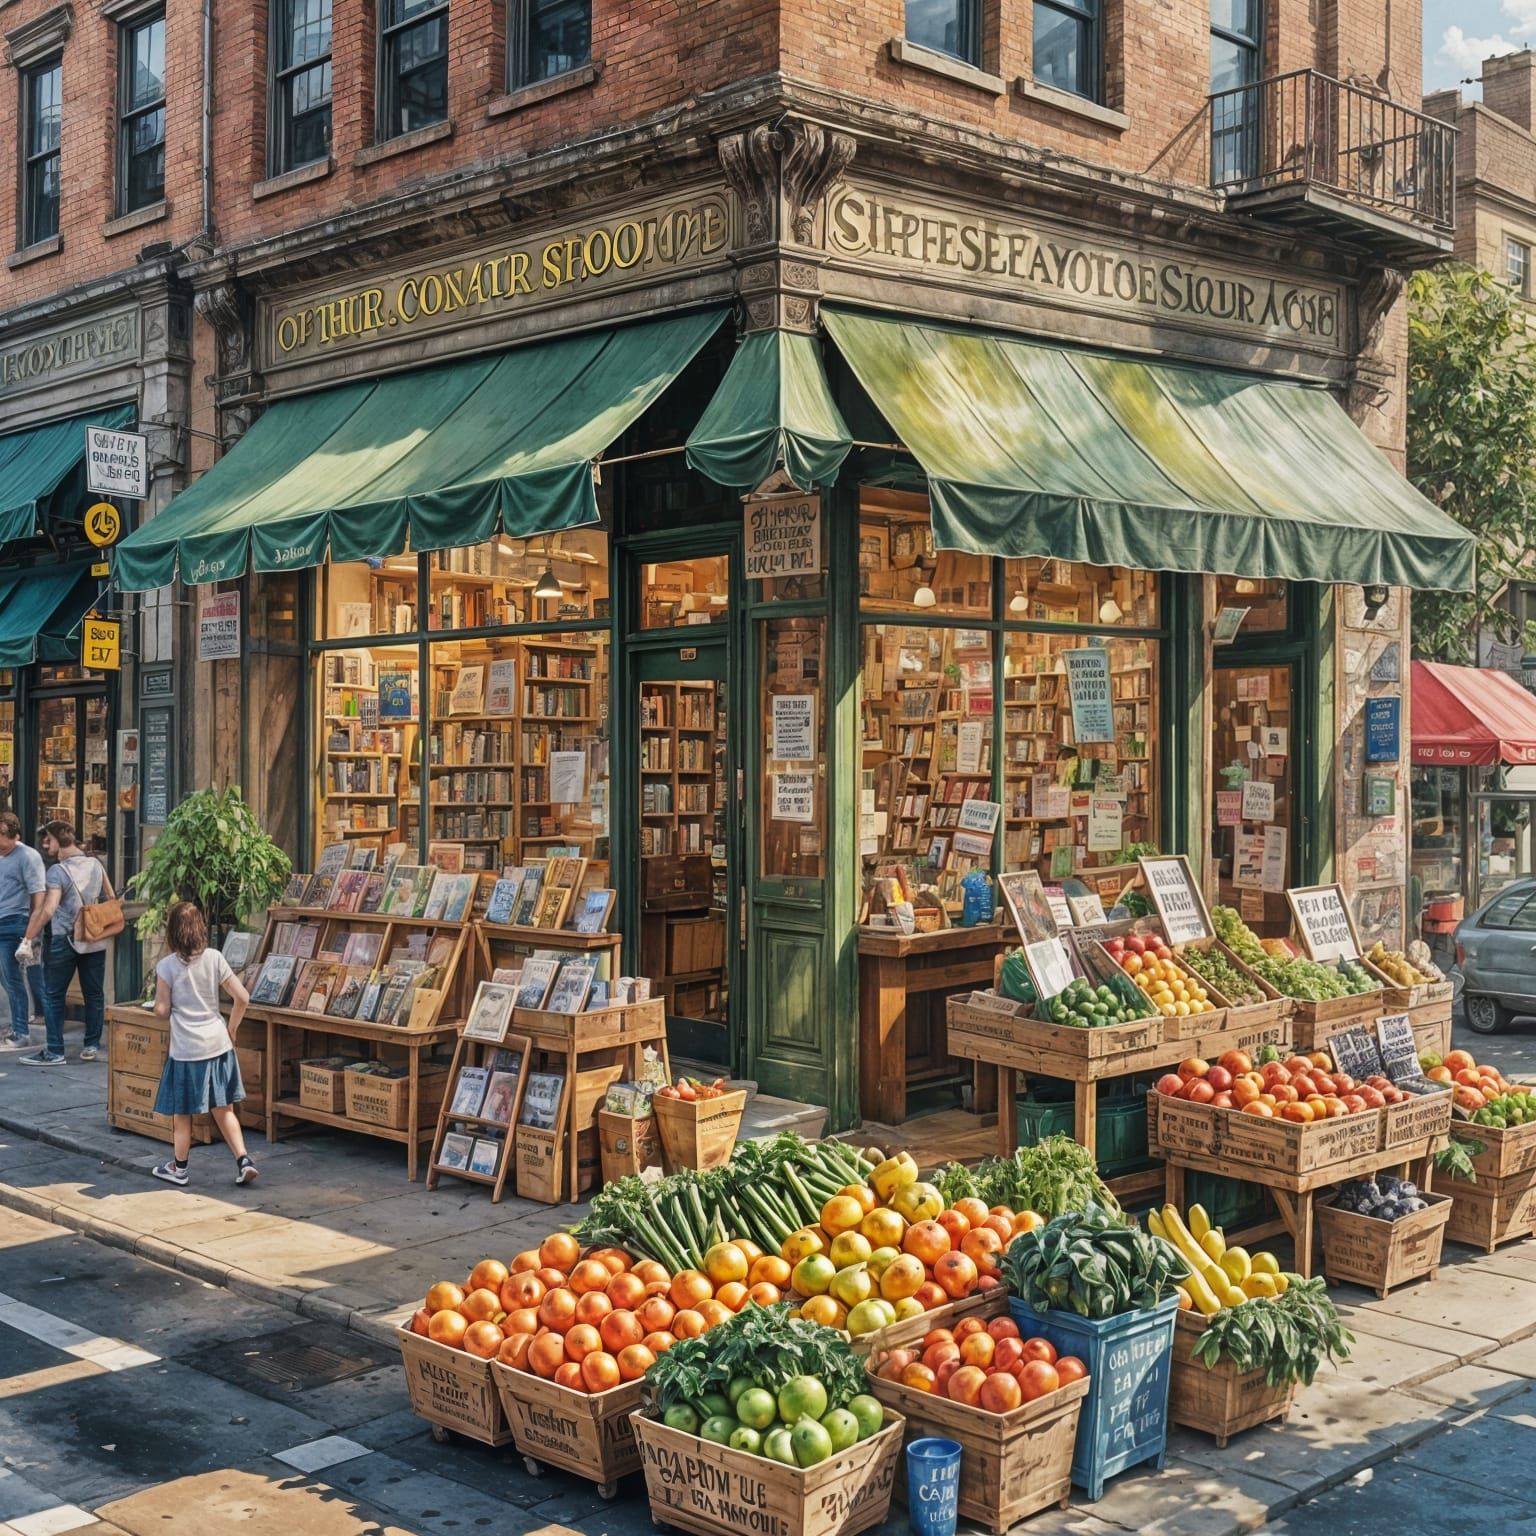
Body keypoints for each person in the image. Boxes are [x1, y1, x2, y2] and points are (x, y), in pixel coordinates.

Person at [149, 900, 257, 1187]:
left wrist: (164, 1007)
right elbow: (242, 998)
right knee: (224, 1110)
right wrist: (231, 1029)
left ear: (172, 932)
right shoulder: (214, 958)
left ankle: (179, 1168)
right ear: (200, 929)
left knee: (182, 1114)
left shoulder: (166, 966)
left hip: (186, 1050)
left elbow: (161, 1010)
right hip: (218, 1044)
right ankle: (243, 1160)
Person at [17, 821, 110, 1066]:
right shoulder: (95, 864)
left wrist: (28, 938)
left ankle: (55, 1051)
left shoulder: (58, 872)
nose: (46, 844)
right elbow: (109, 898)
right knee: (94, 994)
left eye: (48, 839)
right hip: (94, 938)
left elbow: (47, 910)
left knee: (53, 995)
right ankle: (91, 1044)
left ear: (59, 840)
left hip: (64, 940)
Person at [0, 814, 46, 1048]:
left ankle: (21, 1031)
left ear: (14, 836)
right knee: (6, 979)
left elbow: (39, 900)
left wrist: (29, 937)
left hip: (13, 922)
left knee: (13, 978)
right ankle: (11, 1025)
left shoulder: (28, 856)